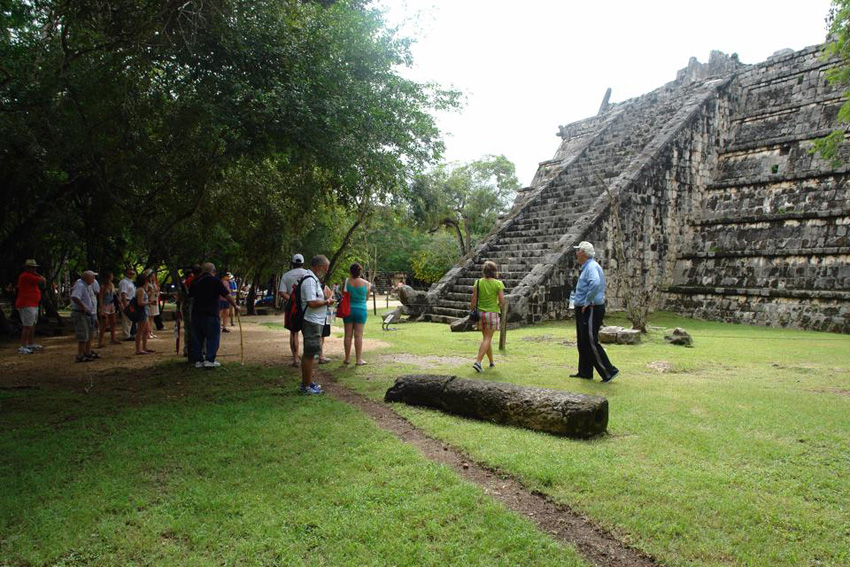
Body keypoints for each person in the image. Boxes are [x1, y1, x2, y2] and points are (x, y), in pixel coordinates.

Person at [570, 241, 619, 383]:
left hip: (590, 308)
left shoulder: (591, 266)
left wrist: (587, 301)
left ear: (583, 253)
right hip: (584, 308)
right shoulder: (587, 267)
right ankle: (585, 371)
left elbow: (595, 283)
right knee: (583, 341)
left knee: (590, 341)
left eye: (578, 250)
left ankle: (609, 371)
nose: (576, 253)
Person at [189, 262, 240, 368]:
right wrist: (235, 306)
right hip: (211, 313)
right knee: (213, 337)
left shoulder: (196, 281)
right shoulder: (215, 281)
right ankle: (209, 359)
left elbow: (190, 297)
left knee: (198, 337)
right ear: (214, 271)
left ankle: (198, 360)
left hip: (196, 314)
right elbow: (227, 295)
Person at [299, 255, 334, 394]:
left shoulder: (313, 280)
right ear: (318, 267)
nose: (326, 271)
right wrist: (327, 302)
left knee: (312, 353)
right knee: (309, 354)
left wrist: (327, 297)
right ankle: (306, 386)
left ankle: (308, 382)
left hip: (316, 321)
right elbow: (311, 303)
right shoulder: (309, 281)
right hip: (311, 321)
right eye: (325, 268)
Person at [469, 261, 505, 372]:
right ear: (494, 271)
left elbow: (473, 299)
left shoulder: (478, 282)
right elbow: (502, 300)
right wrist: (499, 305)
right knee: (488, 338)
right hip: (492, 313)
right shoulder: (498, 284)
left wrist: (472, 309)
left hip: (480, 314)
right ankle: (478, 362)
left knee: (486, 338)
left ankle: (491, 362)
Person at [278, 254, 309, 367]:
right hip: (306, 306)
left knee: (294, 332)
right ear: (303, 263)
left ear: (292, 263)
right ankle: (308, 356)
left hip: (293, 308)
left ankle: (295, 359)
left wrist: (292, 299)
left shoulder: (286, 275)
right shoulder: (307, 274)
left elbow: (281, 292)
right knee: (308, 332)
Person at [342, 263, 371, 366]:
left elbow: (343, 295)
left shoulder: (346, 282)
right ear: (360, 272)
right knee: (358, 336)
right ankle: (358, 360)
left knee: (348, 335)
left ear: (350, 271)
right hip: (361, 310)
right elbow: (366, 298)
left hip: (348, 310)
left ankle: (347, 358)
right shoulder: (367, 284)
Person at [15, 259, 46, 354]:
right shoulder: (26, 276)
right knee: (27, 325)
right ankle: (23, 345)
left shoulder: (30, 276)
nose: (34, 269)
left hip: (33, 304)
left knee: (32, 324)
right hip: (26, 304)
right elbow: (43, 280)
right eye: (32, 268)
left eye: (35, 268)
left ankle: (30, 343)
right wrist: (37, 274)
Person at [70, 270, 99, 362]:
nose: (94, 279)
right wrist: (83, 306)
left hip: (88, 313)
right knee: (83, 334)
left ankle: (87, 352)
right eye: (93, 277)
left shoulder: (87, 286)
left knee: (89, 334)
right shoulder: (80, 285)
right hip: (80, 314)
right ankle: (80, 355)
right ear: (87, 278)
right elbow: (74, 296)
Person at [97, 272, 121, 347]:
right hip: (105, 305)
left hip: (111, 304)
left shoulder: (112, 285)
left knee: (113, 322)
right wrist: (101, 308)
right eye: (111, 276)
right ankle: (101, 341)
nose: (112, 277)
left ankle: (113, 338)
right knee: (105, 323)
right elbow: (100, 297)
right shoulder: (103, 286)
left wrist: (118, 301)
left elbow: (114, 295)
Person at [134, 272, 154, 355]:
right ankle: (138, 349)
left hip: (144, 312)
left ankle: (144, 347)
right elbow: (140, 303)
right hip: (141, 312)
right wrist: (149, 303)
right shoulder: (140, 290)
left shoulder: (142, 290)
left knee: (146, 331)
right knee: (140, 331)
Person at [118, 268, 137, 340]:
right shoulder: (124, 282)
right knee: (126, 319)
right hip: (127, 301)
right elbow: (123, 293)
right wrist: (125, 304)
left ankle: (130, 333)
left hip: (131, 301)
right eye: (130, 273)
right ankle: (126, 335)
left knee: (130, 319)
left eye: (133, 274)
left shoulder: (130, 282)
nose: (131, 275)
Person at [145, 270, 160, 338]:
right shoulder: (147, 284)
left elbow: (157, 291)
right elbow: (146, 294)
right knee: (149, 318)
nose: (154, 275)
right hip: (150, 301)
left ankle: (151, 332)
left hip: (155, 300)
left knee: (152, 317)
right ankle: (148, 333)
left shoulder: (154, 283)